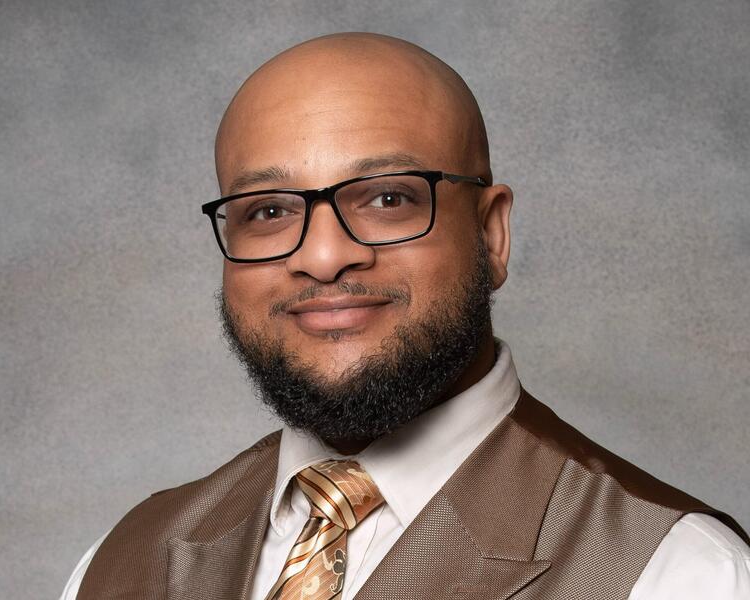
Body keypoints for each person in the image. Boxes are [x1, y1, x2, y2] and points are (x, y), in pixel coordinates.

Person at [61, 33, 750, 599]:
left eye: (387, 199)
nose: (325, 256)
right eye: (269, 211)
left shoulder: (680, 574)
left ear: (491, 234)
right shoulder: (117, 566)